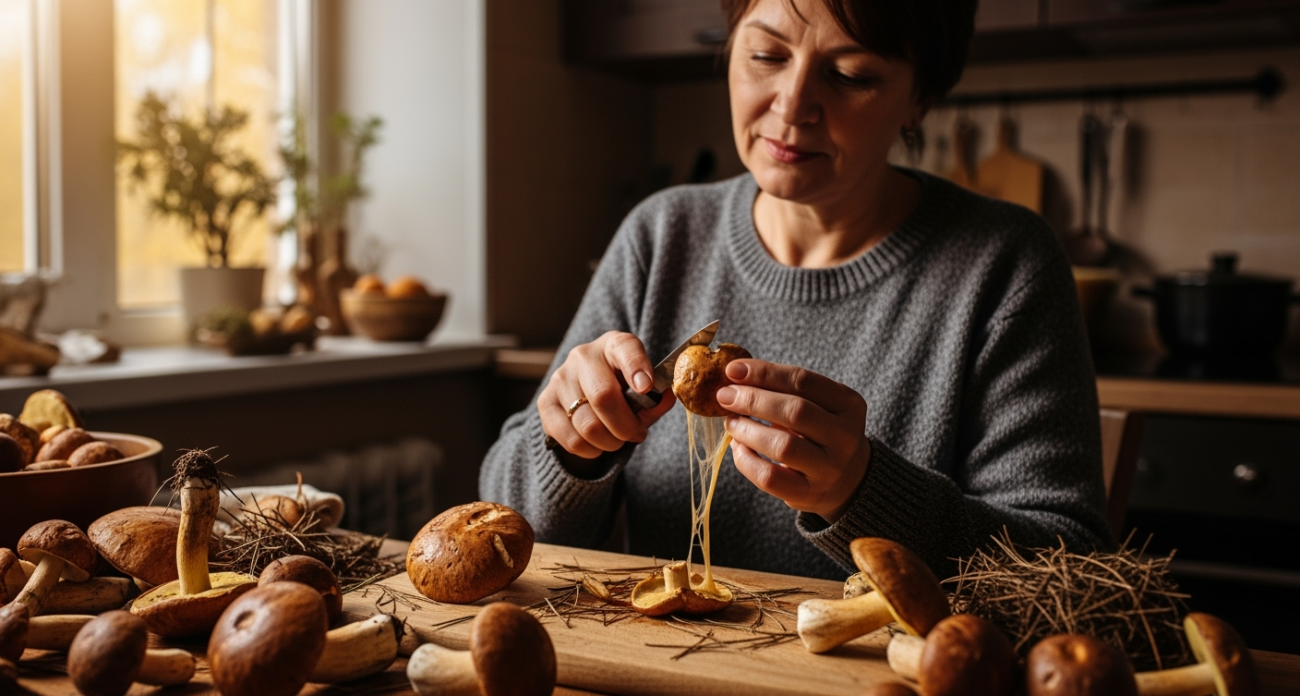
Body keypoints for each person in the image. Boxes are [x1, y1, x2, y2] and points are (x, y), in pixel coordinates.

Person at [480, 0, 1113, 581]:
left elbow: (1073, 572)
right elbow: (498, 530)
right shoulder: (661, 235)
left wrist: (861, 490)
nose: (791, 105)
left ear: (919, 99)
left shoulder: (1004, 263)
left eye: (851, 75)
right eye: (767, 56)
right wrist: (569, 449)